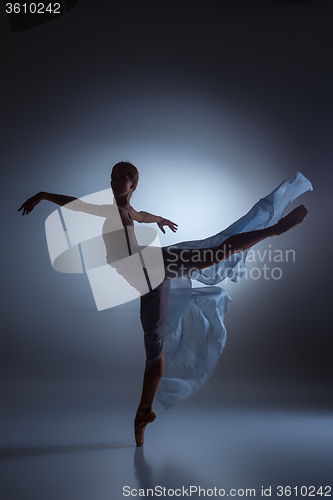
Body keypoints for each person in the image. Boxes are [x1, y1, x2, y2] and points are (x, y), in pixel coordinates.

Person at [19, 161, 311, 446]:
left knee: (216, 250)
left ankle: (274, 230)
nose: (115, 181)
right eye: (112, 176)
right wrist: (45, 195)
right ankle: (144, 411)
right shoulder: (111, 209)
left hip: (155, 262)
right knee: (154, 349)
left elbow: (140, 215)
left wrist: (157, 219)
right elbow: (79, 205)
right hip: (147, 279)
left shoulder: (125, 209)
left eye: (122, 177)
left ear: (133, 184)